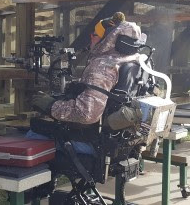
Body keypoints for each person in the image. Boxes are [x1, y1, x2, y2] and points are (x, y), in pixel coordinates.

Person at [29, 12, 142, 154]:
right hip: (121, 142)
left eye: (94, 35)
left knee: (33, 133)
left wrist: (51, 106)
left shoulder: (103, 67)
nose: (91, 38)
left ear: (107, 39)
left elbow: (87, 114)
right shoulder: (135, 60)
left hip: (93, 143)